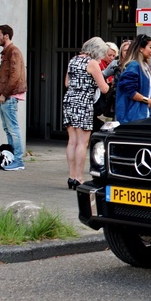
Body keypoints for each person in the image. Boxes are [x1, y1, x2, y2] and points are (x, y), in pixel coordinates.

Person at [63, 37, 110, 188]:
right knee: (83, 143)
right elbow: (104, 88)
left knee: (72, 141)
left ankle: (71, 176)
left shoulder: (73, 60)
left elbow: (67, 83)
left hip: (70, 101)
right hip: (84, 102)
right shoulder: (92, 63)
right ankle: (78, 177)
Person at [0, 24, 27, 171]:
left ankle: (18, 160)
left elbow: (14, 76)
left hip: (10, 96)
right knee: (8, 129)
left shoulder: (13, 52)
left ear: (6, 36)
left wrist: (5, 94)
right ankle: (12, 158)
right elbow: (5, 76)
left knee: (13, 129)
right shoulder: (7, 52)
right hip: (5, 95)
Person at [115, 34, 151, 123]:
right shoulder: (134, 66)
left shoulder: (143, 66)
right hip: (133, 117)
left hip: (141, 115)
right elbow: (129, 91)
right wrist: (147, 100)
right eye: (150, 47)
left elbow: (143, 88)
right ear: (141, 48)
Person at [93, 41, 119, 131]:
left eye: (114, 56)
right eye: (109, 55)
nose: (112, 58)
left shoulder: (114, 65)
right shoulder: (98, 64)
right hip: (100, 97)